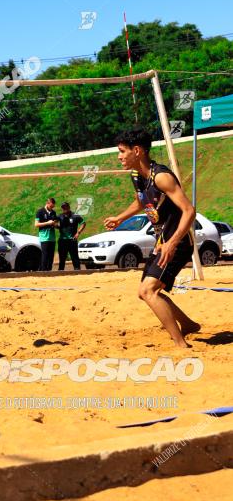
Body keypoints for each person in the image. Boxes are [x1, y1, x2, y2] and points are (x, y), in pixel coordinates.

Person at [104, 127, 199, 348]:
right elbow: (141, 201)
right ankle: (188, 324)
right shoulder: (137, 175)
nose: (119, 157)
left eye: (122, 151)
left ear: (137, 151)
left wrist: (172, 244)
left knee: (148, 290)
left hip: (177, 242)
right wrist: (120, 218)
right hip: (162, 242)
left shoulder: (162, 176)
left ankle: (180, 345)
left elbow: (189, 211)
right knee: (146, 292)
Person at [58, 201, 85, 270]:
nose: (64, 209)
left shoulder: (75, 215)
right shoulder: (60, 216)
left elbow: (83, 223)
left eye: (66, 207)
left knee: (75, 257)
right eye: (63, 208)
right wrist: (56, 226)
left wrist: (78, 232)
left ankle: (77, 271)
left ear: (69, 207)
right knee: (62, 258)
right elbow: (54, 223)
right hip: (62, 240)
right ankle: (60, 272)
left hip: (72, 240)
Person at [35, 197, 59, 271]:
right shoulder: (40, 212)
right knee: (45, 255)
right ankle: (43, 271)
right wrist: (47, 223)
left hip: (52, 238)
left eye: (53, 207)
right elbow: (36, 224)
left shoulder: (53, 212)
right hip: (44, 237)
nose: (52, 208)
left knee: (51, 256)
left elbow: (56, 224)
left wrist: (55, 225)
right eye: (51, 206)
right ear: (47, 203)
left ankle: (49, 271)